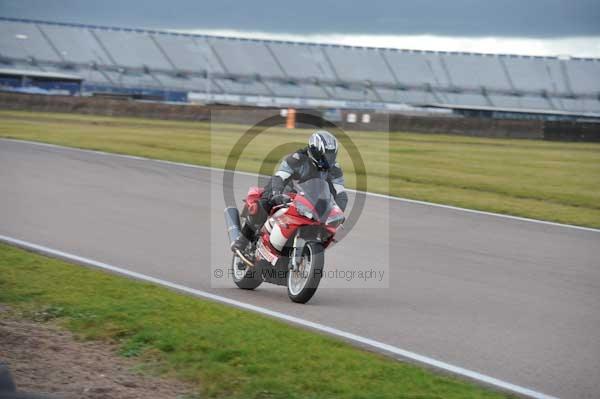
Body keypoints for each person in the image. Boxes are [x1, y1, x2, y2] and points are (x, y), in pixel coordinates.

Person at [231, 130, 348, 252]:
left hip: (310, 199)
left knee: (322, 223)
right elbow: (280, 177)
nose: (329, 160)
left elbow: (340, 193)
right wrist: (277, 194)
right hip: (285, 191)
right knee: (264, 203)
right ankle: (243, 241)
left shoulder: (334, 168)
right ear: (315, 151)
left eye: (331, 155)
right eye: (326, 155)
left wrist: (338, 212)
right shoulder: (296, 159)